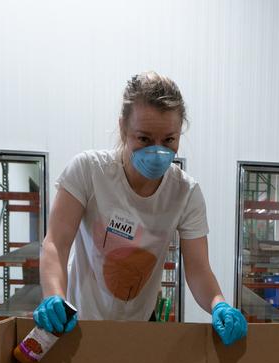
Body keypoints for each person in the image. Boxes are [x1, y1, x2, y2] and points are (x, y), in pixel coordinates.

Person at [35, 72, 247, 345]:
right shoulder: (89, 171)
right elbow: (56, 243)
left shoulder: (184, 192)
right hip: (77, 324)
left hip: (138, 330)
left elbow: (198, 269)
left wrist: (219, 304)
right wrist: (54, 295)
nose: (157, 150)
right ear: (123, 128)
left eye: (169, 140)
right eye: (144, 139)